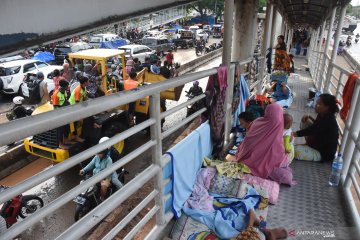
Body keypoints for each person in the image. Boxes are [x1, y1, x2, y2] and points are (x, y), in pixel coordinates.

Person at [234, 104, 289, 178]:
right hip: (267, 161)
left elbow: (248, 142)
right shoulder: (278, 126)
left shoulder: (258, 122)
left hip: (248, 158)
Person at [293, 94, 339, 162]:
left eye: (319, 104)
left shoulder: (329, 120)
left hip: (323, 154)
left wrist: (292, 134)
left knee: (294, 151)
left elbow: (312, 130)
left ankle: (309, 149)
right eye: (316, 103)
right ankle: (308, 145)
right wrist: (309, 117)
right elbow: (317, 126)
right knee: (305, 121)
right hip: (317, 143)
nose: (316, 105)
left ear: (327, 107)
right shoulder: (322, 114)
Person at [52, 80, 73, 149]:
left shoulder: (65, 92)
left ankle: (66, 140)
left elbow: (66, 101)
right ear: (63, 87)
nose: (68, 87)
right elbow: (55, 106)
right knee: (60, 130)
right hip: (59, 115)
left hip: (66, 113)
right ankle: (60, 144)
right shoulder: (56, 94)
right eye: (67, 86)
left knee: (66, 128)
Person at [69, 76, 89, 142]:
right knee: (75, 122)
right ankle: (75, 137)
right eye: (87, 81)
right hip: (73, 106)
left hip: (79, 104)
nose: (88, 82)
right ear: (84, 83)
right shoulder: (78, 91)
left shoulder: (84, 87)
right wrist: (79, 114)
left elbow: (85, 97)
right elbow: (77, 103)